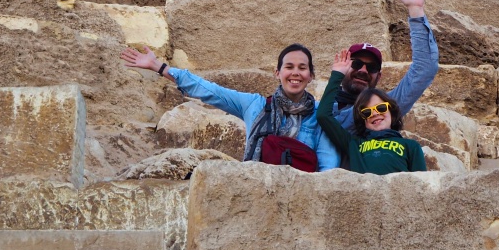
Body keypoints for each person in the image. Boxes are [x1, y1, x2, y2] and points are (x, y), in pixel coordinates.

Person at [121, 42, 340, 171]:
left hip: (304, 192)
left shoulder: (321, 113)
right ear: (277, 73)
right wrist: (158, 67)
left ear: (311, 75)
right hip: (259, 187)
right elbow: (209, 91)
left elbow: (327, 164)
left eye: (302, 68)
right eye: (289, 66)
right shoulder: (255, 105)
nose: (295, 73)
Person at [330, 0, 439, 134]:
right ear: (344, 66)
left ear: (379, 76)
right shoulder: (320, 107)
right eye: (357, 63)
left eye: (372, 67)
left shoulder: (383, 109)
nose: (363, 71)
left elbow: (425, 68)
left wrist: (415, 10)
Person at [318, 49, 427, 173]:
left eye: (381, 108)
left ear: (392, 111)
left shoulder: (411, 146)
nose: (374, 113)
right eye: (367, 112)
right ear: (362, 120)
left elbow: (421, 182)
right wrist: (337, 75)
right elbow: (323, 116)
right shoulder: (354, 144)